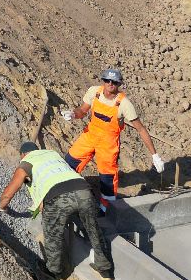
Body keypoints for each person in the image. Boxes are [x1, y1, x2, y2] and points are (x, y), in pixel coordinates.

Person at [0, 142, 114, 280]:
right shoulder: (53, 155)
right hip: (84, 191)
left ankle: (55, 273)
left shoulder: (26, 163)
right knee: (94, 230)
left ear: (23, 154)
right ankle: (105, 271)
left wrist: (2, 206)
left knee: (53, 234)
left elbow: (10, 191)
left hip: (57, 197)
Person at [63, 68, 165, 211]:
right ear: (103, 81)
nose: (110, 84)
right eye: (107, 80)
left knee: (108, 179)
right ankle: (64, 195)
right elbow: (82, 110)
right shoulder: (94, 92)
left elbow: (141, 129)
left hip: (108, 144)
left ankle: (106, 209)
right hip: (90, 136)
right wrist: (73, 114)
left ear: (119, 84)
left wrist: (155, 156)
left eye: (114, 82)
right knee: (69, 163)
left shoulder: (124, 104)